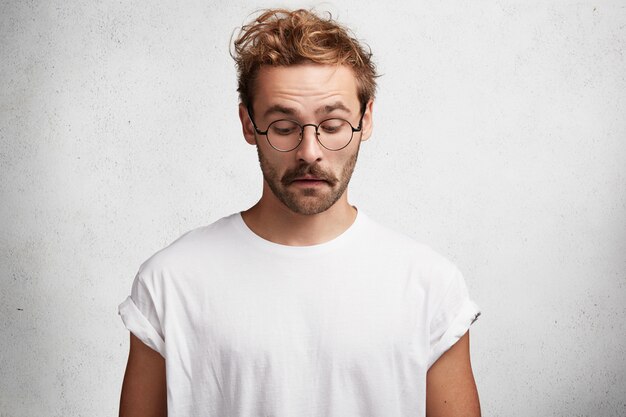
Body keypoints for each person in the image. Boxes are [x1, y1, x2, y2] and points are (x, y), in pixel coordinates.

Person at [118, 8, 481, 417]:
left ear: (367, 119)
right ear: (248, 124)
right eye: (284, 127)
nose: (310, 152)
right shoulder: (170, 282)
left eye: (332, 124)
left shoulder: (430, 286)